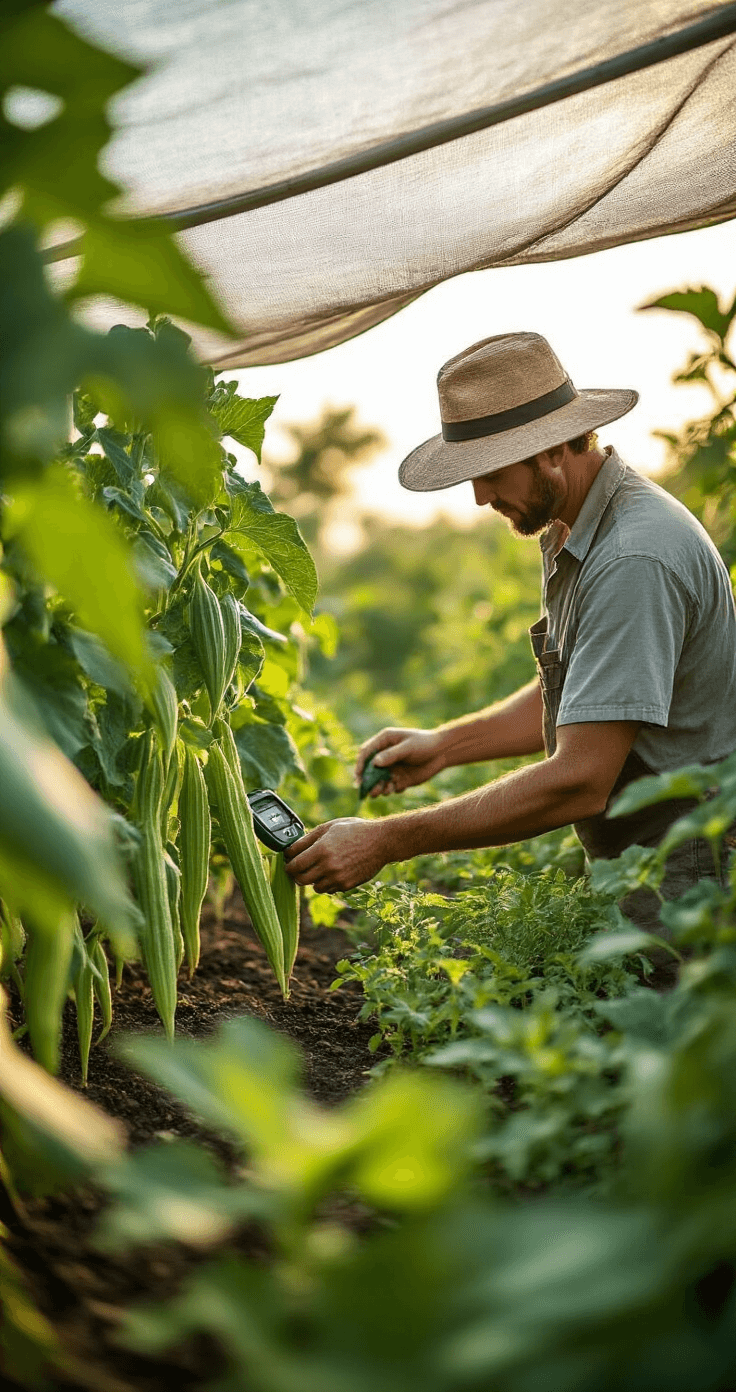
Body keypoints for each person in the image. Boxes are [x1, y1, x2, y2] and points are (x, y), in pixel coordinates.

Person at [284, 331, 736, 943]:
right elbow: (589, 695)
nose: (478, 497)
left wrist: (388, 840)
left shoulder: (634, 558)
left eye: (491, 472)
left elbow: (580, 778)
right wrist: (446, 746)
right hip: (650, 871)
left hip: (695, 888)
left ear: (552, 449)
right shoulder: (575, 527)